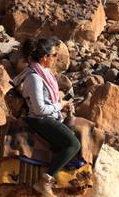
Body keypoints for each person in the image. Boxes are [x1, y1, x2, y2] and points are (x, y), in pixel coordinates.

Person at [14, 37, 83, 178]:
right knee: (73, 145)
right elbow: (40, 109)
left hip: (49, 117)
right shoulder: (34, 78)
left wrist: (62, 106)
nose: (55, 58)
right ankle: (47, 178)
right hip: (40, 120)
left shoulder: (43, 74)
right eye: (54, 55)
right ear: (45, 57)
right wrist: (60, 105)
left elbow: (46, 101)